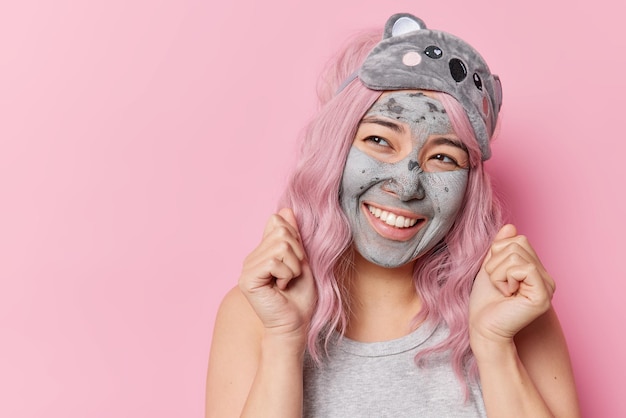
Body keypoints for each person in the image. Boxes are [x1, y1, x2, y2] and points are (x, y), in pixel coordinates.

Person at [205, 13, 580, 417]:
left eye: (443, 157)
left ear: (469, 185)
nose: (407, 186)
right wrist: (283, 339)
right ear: (336, 151)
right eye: (380, 140)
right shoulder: (257, 313)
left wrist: (493, 344)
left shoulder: (515, 308)